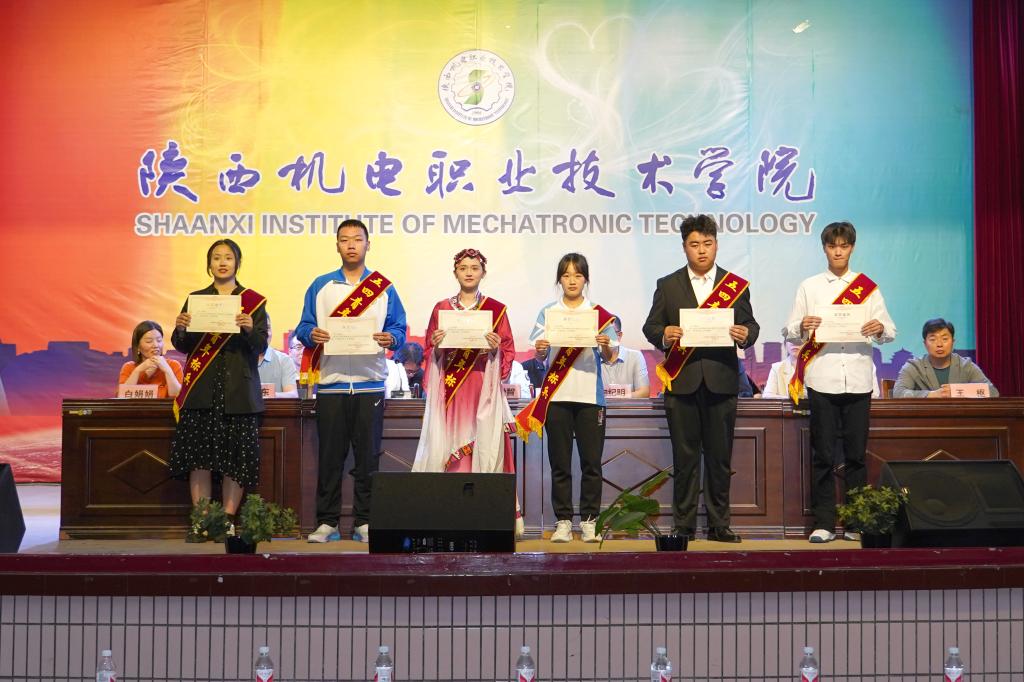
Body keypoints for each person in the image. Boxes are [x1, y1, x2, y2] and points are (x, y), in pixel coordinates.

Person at [642, 214, 758, 543]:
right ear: (684, 247)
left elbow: (752, 326)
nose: (702, 250)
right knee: (685, 458)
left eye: (707, 243)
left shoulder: (734, 286)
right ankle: (684, 526)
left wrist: (745, 333)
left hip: (722, 381)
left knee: (720, 459)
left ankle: (720, 525)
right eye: (695, 244)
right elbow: (650, 327)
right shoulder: (668, 285)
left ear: (716, 245)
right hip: (682, 383)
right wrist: (664, 333)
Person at [783, 221, 896, 543]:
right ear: (824, 249)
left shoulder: (867, 288)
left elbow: (889, 330)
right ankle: (824, 524)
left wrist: (879, 328)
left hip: (858, 380)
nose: (838, 252)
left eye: (844, 246)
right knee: (822, 455)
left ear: (852, 248)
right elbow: (789, 330)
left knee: (856, 456)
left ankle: (856, 522)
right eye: (832, 246)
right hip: (822, 378)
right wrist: (802, 325)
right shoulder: (810, 287)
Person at [295, 219, 406, 544]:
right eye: (345, 239)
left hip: (370, 384)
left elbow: (399, 327)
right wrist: (311, 334)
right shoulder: (321, 286)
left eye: (358, 239)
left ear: (368, 244)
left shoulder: (382, 287)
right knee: (330, 458)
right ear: (337, 246)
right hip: (331, 384)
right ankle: (326, 522)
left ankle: (364, 522)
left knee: (368, 458)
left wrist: (391, 338)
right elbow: (304, 326)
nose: (351, 245)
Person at [411, 248, 523, 536]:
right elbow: (429, 351)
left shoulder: (496, 310)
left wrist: (496, 349)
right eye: (463, 268)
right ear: (455, 273)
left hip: (483, 389)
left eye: (474, 268)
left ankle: (487, 515)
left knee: (486, 445)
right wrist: (437, 346)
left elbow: (508, 350)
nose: (469, 272)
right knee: (450, 445)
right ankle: (452, 515)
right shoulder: (441, 308)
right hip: (452, 391)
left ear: (483, 273)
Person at [169, 239, 267, 538]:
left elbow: (260, 345)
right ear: (209, 264)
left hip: (238, 392)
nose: (222, 263)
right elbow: (182, 345)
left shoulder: (253, 302)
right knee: (198, 458)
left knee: (234, 461)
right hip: (201, 390)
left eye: (228, 257)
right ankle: (201, 520)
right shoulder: (196, 299)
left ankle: (226, 520)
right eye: (216, 258)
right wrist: (181, 327)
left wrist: (249, 329)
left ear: (238, 263)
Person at [516, 253, 618, 543]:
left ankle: (589, 521)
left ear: (586, 279)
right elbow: (540, 355)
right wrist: (540, 351)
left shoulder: (599, 315)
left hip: (590, 398)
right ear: (559, 280)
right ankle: (562, 521)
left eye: (578, 275)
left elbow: (611, 357)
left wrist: (605, 345)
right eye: (566, 275)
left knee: (591, 463)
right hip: (557, 397)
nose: (572, 281)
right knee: (559, 463)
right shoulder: (549, 312)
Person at [893, 319, 998, 398]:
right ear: (925, 344)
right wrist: (932, 395)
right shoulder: (914, 367)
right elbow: (898, 393)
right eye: (933, 339)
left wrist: (957, 392)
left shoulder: (966, 366)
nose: (939, 344)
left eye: (944, 339)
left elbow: (993, 392)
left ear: (953, 342)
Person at [119, 320, 183, 398]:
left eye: (159, 340)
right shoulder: (129, 367)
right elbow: (122, 397)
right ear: (138, 346)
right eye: (149, 341)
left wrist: (167, 370)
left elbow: (178, 397)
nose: (156, 345)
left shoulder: (173, 365)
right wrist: (137, 371)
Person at [600, 314, 650, 398]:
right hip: (600, 407)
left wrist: (613, 396)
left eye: (609, 333)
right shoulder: (592, 359)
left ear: (619, 335)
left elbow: (644, 393)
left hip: (627, 406)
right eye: (601, 333)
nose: (605, 338)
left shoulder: (635, 356)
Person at [257, 315, 298, 398]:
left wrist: (266, 395)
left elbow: (292, 395)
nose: (265, 333)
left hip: (274, 406)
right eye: (259, 329)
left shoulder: (284, 360)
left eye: (268, 328)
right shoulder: (239, 361)